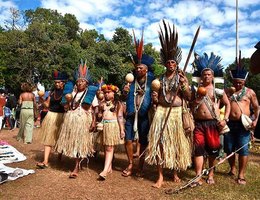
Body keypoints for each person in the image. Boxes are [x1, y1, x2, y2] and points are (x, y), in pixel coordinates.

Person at [145, 20, 192, 188]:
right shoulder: (159, 80)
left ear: (177, 64)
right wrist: (155, 97)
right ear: (165, 64)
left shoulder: (181, 78)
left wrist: (185, 85)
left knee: (176, 143)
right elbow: (155, 97)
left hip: (176, 113)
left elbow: (188, 96)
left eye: (173, 62)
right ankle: (160, 176)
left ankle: (175, 172)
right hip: (161, 113)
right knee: (160, 143)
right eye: (168, 63)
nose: (171, 64)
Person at [191, 52, 230, 186]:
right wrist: (196, 100)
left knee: (213, 150)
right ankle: (198, 176)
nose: (207, 76)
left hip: (213, 123)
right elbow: (191, 105)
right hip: (199, 123)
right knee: (198, 149)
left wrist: (225, 119)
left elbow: (228, 104)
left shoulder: (217, 90)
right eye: (204, 74)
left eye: (209, 74)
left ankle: (211, 173)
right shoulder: (196, 90)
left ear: (213, 76)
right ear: (201, 76)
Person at [55, 60, 98, 178]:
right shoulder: (71, 93)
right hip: (71, 120)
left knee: (79, 143)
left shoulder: (90, 94)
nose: (80, 83)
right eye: (79, 81)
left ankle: (76, 167)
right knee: (71, 141)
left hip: (83, 120)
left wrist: (94, 122)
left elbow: (95, 109)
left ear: (87, 84)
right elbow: (66, 107)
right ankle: (66, 158)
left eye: (83, 81)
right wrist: (67, 102)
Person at [121, 30, 155, 177]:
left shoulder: (152, 82)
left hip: (144, 116)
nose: (138, 69)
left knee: (143, 141)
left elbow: (156, 98)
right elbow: (123, 97)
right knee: (128, 140)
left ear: (146, 70)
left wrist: (152, 96)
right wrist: (125, 91)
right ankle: (130, 163)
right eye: (137, 67)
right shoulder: (131, 82)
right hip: (130, 114)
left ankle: (140, 166)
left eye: (141, 68)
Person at [224, 54, 259, 185]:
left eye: (240, 82)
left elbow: (257, 108)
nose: (238, 84)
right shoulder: (227, 91)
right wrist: (227, 95)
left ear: (244, 81)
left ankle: (241, 174)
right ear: (232, 81)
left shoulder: (250, 92)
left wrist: (255, 120)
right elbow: (220, 105)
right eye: (236, 82)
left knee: (243, 149)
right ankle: (232, 168)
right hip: (229, 124)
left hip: (244, 125)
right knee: (228, 148)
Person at [36, 71, 67, 169]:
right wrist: (41, 98)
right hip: (51, 116)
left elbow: (67, 106)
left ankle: (60, 155)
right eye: (56, 82)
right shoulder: (52, 92)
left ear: (63, 83)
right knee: (48, 138)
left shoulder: (67, 93)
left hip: (62, 117)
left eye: (59, 82)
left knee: (60, 137)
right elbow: (47, 105)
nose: (57, 84)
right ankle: (45, 161)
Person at [97, 84, 125, 180]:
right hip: (104, 126)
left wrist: (121, 130)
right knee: (106, 147)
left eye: (109, 92)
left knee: (109, 148)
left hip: (113, 127)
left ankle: (104, 171)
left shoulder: (118, 104)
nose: (106, 94)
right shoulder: (103, 103)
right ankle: (109, 167)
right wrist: (100, 113)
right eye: (105, 93)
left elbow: (120, 117)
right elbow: (99, 115)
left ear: (114, 93)